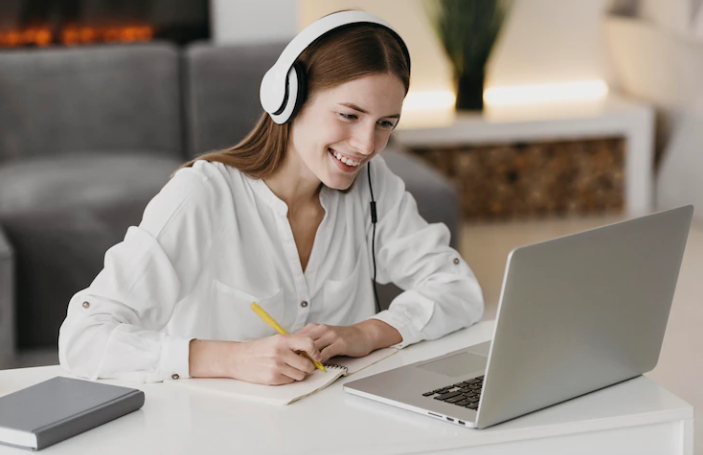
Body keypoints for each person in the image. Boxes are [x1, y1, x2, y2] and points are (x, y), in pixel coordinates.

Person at [58, 10, 484, 386]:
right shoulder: (203, 194)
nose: (366, 144)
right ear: (289, 99)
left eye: (385, 123)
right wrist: (232, 358)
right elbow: (84, 337)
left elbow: (458, 289)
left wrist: (367, 332)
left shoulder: (375, 185)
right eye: (349, 115)